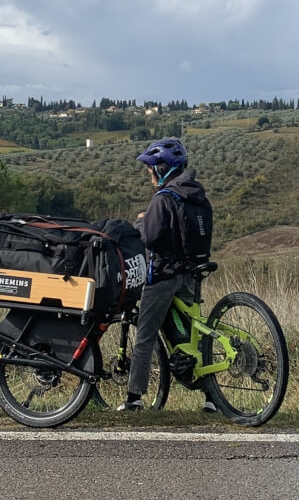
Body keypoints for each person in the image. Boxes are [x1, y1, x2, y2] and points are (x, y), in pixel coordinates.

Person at [119, 137, 217, 413]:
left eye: (151, 170)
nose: (149, 175)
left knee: (146, 336)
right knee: (190, 338)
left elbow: (150, 237)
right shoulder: (198, 196)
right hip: (192, 274)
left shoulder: (163, 199)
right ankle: (212, 398)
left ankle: (133, 399)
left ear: (162, 169)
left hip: (162, 276)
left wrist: (141, 220)